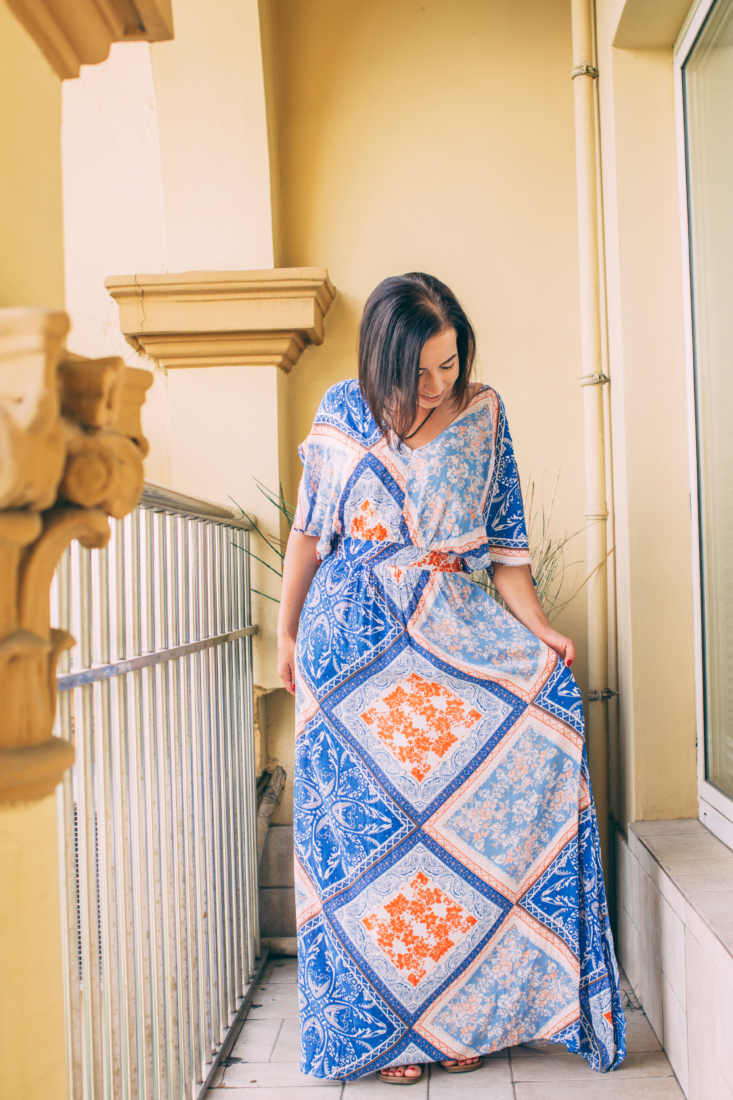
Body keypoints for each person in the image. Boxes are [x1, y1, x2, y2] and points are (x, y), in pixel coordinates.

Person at [277, 272, 626, 1085]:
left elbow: (506, 547)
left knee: (462, 830)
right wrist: (287, 633)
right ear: (382, 359)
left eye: (449, 362)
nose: (436, 385)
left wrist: (538, 630)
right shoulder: (339, 410)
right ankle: (380, 1033)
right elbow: (307, 534)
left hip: (448, 633)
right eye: (421, 370)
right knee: (370, 853)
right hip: (349, 647)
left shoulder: (483, 413)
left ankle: (454, 1017)